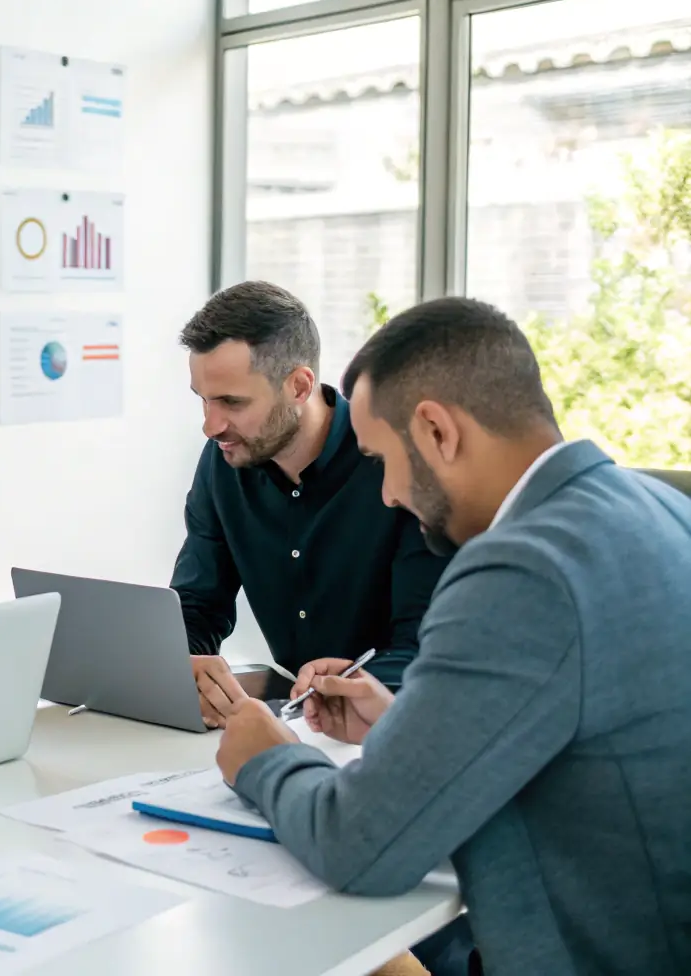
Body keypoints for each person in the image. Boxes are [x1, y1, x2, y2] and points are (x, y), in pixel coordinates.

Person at [216, 298, 691, 975]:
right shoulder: (659, 508)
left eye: (381, 460)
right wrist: (402, 728)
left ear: (436, 431)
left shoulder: (520, 567)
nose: (384, 495)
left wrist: (264, 758)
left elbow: (360, 846)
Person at [173, 281, 448, 728]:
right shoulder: (224, 462)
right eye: (203, 400)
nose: (211, 425)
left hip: (389, 730)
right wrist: (185, 665)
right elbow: (197, 602)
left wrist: (343, 694)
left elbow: (423, 645)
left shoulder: (394, 465)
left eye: (232, 402)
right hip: (292, 724)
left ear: (299, 386)